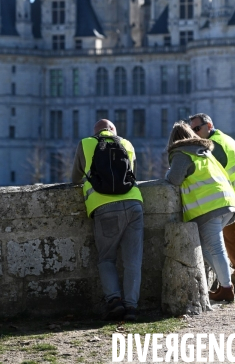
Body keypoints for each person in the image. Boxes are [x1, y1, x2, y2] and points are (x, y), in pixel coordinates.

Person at [72, 118, 143, 320]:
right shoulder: (127, 144)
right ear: (113, 130)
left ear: (96, 132)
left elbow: (76, 178)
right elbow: (132, 175)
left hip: (103, 206)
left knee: (106, 258)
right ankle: (131, 307)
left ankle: (114, 301)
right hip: (134, 204)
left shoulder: (86, 143)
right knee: (133, 261)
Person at [189, 113, 235, 293]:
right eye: (191, 130)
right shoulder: (218, 138)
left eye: (197, 129)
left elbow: (213, 170)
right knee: (229, 234)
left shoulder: (215, 144)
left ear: (209, 125)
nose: (194, 133)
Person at [165, 121, 235, 302]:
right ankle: (225, 284)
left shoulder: (181, 153)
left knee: (215, 248)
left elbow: (174, 179)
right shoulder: (205, 152)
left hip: (209, 206)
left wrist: (167, 173)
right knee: (207, 248)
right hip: (226, 200)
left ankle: (227, 288)